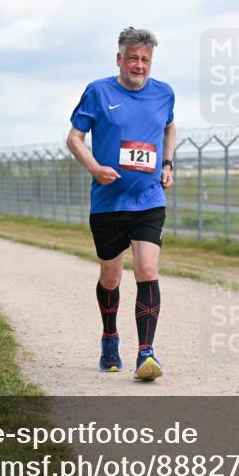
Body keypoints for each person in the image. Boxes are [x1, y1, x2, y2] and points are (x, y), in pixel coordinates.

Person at [66, 27, 175, 381]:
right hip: (109, 203)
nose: (139, 65)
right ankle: (110, 336)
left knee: (147, 269)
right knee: (110, 277)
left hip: (148, 199)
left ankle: (146, 353)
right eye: (133, 58)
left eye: (145, 59)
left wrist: (168, 164)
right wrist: (95, 168)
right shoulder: (98, 91)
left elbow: (170, 128)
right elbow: (74, 137)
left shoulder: (164, 93)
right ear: (119, 59)